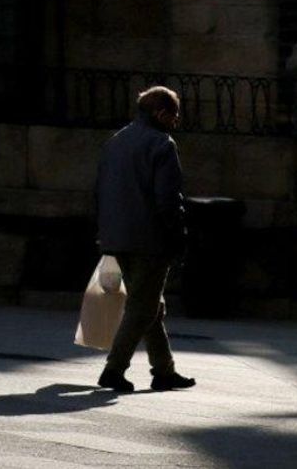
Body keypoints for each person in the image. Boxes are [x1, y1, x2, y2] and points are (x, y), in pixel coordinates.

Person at [93, 85, 197, 393]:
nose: (176, 122)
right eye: (174, 116)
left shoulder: (115, 141)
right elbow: (167, 199)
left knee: (150, 304)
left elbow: (98, 192)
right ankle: (114, 369)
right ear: (161, 114)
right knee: (141, 307)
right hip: (150, 239)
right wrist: (178, 236)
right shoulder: (161, 144)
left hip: (115, 236)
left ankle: (164, 371)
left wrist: (104, 232)